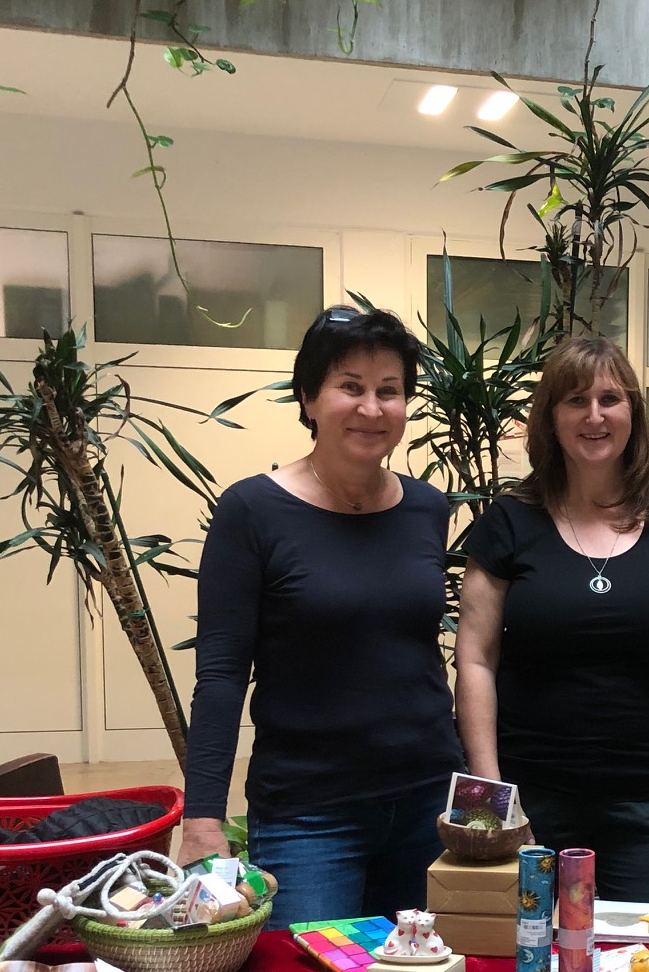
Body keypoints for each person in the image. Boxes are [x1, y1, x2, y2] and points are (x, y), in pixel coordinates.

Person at [178, 305, 463, 923]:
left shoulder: (427, 509)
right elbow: (222, 674)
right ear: (308, 398)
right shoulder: (252, 511)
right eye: (350, 387)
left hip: (428, 804)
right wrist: (202, 818)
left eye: (389, 391)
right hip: (311, 814)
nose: (371, 408)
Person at [455, 337, 649, 901]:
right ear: (551, 418)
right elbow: (476, 659)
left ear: (634, 414)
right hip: (533, 801)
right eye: (576, 400)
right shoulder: (508, 522)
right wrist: (493, 795)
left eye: (611, 399)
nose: (595, 416)